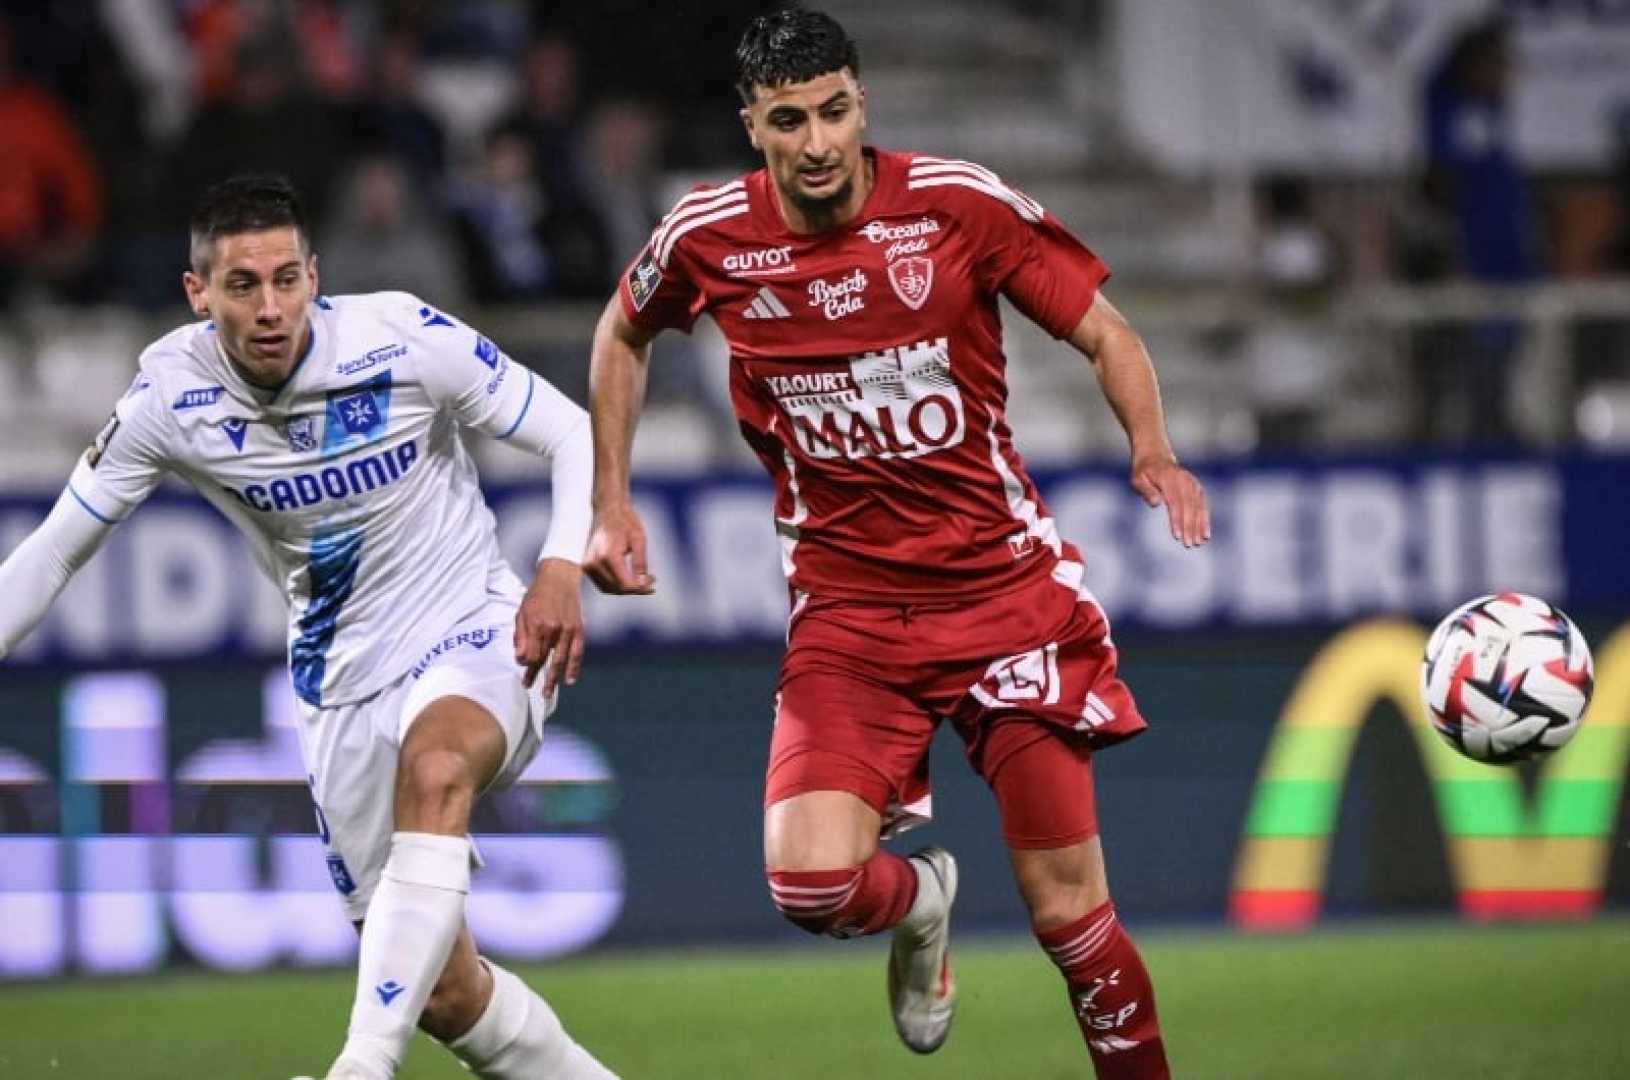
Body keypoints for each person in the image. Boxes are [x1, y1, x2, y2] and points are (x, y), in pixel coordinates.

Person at [584, 10, 1207, 1079]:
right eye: (790, 121)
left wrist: (1151, 448)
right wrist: (611, 499)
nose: (818, 141)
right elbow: (620, 332)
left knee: (1070, 918)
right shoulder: (706, 234)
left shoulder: (956, 205)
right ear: (753, 126)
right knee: (810, 888)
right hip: (851, 617)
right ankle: (922, 905)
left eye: (834, 111)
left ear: (860, 102)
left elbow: (1106, 331)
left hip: (1004, 597)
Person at [0, 176, 616, 1080]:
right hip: (341, 689)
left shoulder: (397, 338)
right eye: (242, 285)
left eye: (287, 279)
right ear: (197, 293)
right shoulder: (171, 395)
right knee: (446, 995)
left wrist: (561, 565)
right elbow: (52, 554)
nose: (270, 307)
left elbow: (570, 429)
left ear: (315, 276)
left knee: (437, 767)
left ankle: (361, 1066)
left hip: (475, 628)